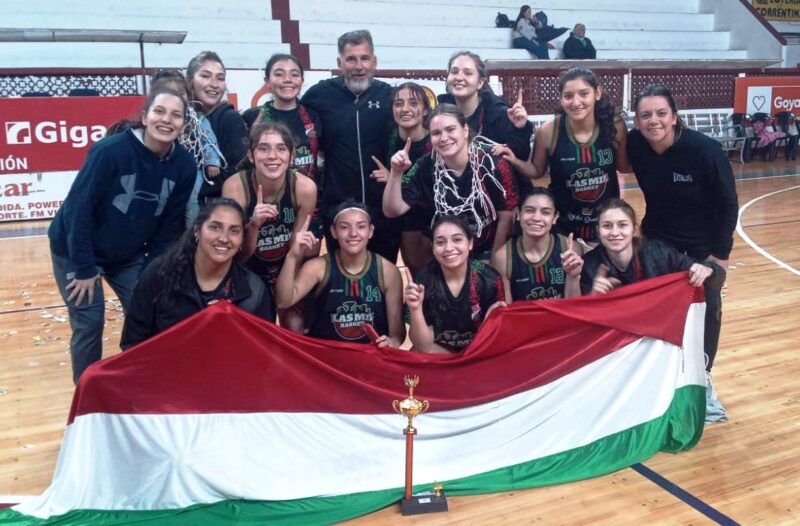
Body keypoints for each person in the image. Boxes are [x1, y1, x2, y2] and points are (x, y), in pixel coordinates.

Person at [48, 87, 196, 382]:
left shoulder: (184, 165)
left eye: (175, 115)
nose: (166, 120)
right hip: (75, 249)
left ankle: (143, 382)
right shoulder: (110, 151)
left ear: (183, 124)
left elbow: (168, 229)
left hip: (126, 254)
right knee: (90, 321)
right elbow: (78, 211)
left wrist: (152, 273)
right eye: (159, 111)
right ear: (145, 116)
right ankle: (88, 394)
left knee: (151, 310)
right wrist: (84, 268)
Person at [627, 84, 738, 422]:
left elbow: (728, 203)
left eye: (661, 113)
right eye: (646, 115)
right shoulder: (636, 144)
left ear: (674, 117)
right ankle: (660, 381)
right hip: (658, 244)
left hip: (702, 249)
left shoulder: (704, 150)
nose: (654, 121)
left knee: (706, 312)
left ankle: (703, 382)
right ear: (637, 121)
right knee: (657, 312)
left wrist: (719, 258)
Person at [495, 66, 629, 244]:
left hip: (605, 226)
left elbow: (624, 166)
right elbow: (536, 170)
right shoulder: (549, 131)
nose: (575, 102)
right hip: (564, 226)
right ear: (561, 99)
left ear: (597, 93)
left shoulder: (614, 126)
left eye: (584, 94)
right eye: (568, 96)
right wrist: (515, 161)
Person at [120, 199, 275, 349]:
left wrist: (231, 327)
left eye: (234, 231)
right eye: (215, 227)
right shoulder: (160, 273)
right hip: (165, 366)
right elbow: (133, 341)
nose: (224, 238)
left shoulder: (253, 291)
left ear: (242, 239)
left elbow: (262, 351)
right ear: (197, 230)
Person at [301, 30, 400, 261]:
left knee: (382, 273)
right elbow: (294, 123)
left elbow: (415, 140)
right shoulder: (319, 95)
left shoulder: (390, 97)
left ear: (374, 61)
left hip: (382, 209)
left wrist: (396, 177)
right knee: (341, 275)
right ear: (340, 63)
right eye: (351, 59)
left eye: (364, 58)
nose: (359, 66)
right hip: (337, 209)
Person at [383, 103, 518, 260]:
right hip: (448, 253)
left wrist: (495, 259)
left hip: (488, 250)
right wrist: (396, 173)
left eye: (450, 129)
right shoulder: (424, 166)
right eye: (436, 133)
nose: (444, 138)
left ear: (465, 130)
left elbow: (507, 216)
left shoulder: (492, 163)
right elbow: (392, 210)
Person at [222, 121, 317, 329]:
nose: (272, 156)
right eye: (263, 148)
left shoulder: (304, 188)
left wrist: (285, 292)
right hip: (246, 268)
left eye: (281, 148)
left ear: (291, 156)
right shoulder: (236, 187)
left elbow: (295, 251)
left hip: (285, 264)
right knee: (253, 323)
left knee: (295, 325)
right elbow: (235, 257)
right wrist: (253, 226)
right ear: (251, 155)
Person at [274, 201, 405, 348]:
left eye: (361, 226)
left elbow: (397, 334)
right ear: (333, 231)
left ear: (370, 231)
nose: (353, 233)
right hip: (326, 354)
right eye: (344, 227)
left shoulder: (387, 271)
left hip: (371, 354)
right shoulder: (317, 268)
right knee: (292, 319)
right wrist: (292, 256)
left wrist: (392, 342)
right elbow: (283, 302)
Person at [404, 215, 506, 353]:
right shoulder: (422, 280)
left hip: (479, 352)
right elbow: (423, 347)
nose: (449, 248)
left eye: (457, 239)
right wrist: (415, 309)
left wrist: (490, 321)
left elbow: (494, 340)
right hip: (438, 352)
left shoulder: (490, 280)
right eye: (440, 242)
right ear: (432, 247)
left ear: (470, 243)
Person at [580, 198, 723, 294]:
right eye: (607, 226)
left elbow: (717, 275)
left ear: (634, 230)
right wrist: (594, 296)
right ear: (598, 231)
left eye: (622, 225)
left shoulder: (658, 253)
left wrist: (707, 270)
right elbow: (582, 316)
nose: (615, 232)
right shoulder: (589, 265)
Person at [438, 51, 533, 185]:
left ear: (480, 82)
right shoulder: (440, 115)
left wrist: (519, 129)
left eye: (468, 73)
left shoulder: (499, 113)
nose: (459, 77)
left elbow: (518, 157)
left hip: (501, 188)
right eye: (454, 72)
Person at [372, 82, 434, 273]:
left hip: (426, 218)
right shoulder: (385, 138)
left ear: (425, 110)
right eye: (399, 103)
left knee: (423, 271)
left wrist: (393, 177)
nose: (405, 109)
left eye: (413, 103)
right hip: (388, 216)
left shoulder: (436, 142)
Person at [149, 69, 223, 227]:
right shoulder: (155, 121)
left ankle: (192, 233)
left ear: (188, 96)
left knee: (191, 200)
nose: (174, 98)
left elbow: (208, 140)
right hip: (164, 169)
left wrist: (212, 161)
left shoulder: (197, 118)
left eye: (180, 93)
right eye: (168, 93)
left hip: (193, 168)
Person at [491, 187, 583, 301]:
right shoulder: (503, 257)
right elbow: (507, 309)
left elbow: (574, 305)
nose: (536, 218)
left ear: (555, 217)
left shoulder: (570, 249)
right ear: (518, 214)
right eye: (529, 210)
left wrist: (573, 277)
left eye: (545, 212)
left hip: (563, 312)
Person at [242, 53, 322, 182]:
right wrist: (252, 138)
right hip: (266, 191)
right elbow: (243, 164)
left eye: (294, 75)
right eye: (279, 74)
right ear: (267, 81)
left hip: (308, 191)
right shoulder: (253, 117)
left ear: (302, 81)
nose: (287, 79)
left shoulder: (313, 115)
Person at [186, 51, 248, 204]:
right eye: (205, 76)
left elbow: (238, 170)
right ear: (189, 81)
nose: (214, 84)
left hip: (215, 207)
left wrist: (188, 189)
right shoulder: (180, 118)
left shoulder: (231, 119)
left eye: (220, 78)